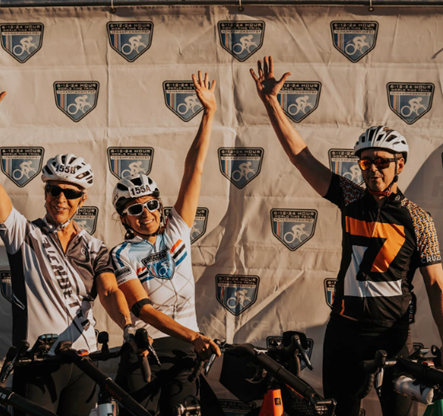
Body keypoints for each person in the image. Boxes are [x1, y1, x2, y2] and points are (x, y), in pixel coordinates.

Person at [250, 56, 443, 416]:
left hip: (394, 336)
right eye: (366, 162)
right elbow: (300, 157)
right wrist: (271, 104)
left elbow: (436, 285)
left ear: (400, 164)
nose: (373, 170)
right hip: (344, 333)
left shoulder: (419, 219)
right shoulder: (351, 198)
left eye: (382, 162)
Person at [0, 72, 136, 416]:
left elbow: (110, 291)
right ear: (44, 193)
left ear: (81, 199)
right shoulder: (22, 233)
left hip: (83, 363)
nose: (60, 198)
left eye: (70, 193)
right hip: (36, 363)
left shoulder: (93, 246)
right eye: (53, 190)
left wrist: (128, 327)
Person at [110, 72, 221, 416]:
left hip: (186, 350)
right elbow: (143, 310)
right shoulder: (121, 254)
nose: (146, 214)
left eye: (151, 204)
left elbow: (194, 170)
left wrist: (208, 115)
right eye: (134, 209)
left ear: (161, 205)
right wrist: (193, 338)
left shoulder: (177, 229)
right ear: (124, 218)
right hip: (146, 351)